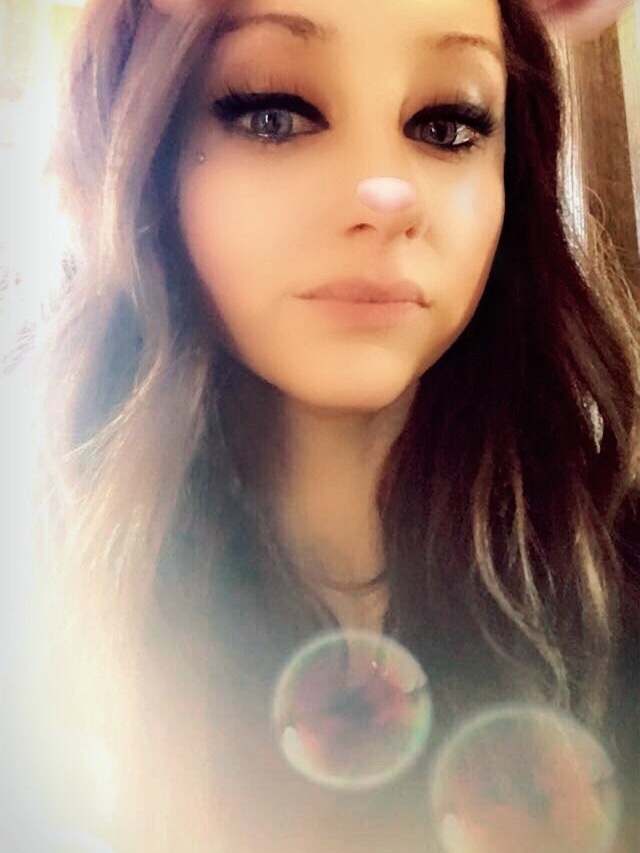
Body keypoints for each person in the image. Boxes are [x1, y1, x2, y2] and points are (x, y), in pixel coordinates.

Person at [16, 0, 639, 851]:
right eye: (273, 114)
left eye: (447, 125)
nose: (386, 195)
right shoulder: (34, 616)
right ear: (139, 154)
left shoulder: (616, 570)